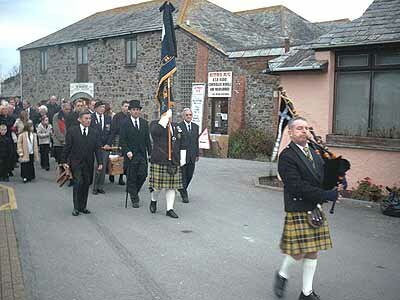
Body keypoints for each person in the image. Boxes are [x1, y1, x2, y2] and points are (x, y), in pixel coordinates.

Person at [273, 117, 338, 300]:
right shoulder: (287, 156)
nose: (304, 131)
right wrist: (325, 195)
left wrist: (335, 176)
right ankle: (282, 274)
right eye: (299, 128)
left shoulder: (315, 152)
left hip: (314, 205)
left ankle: (306, 293)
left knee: (313, 249)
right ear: (291, 132)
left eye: (306, 128)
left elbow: (321, 177)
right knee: (298, 251)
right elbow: (296, 186)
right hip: (299, 206)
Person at [62, 110, 103, 216]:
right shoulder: (72, 131)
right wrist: (63, 161)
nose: (88, 120)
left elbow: (97, 149)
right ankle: (76, 207)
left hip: (88, 162)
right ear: (79, 119)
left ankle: (83, 206)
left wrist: (100, 162)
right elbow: (67, 147)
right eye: (86, 118)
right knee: (78, 182)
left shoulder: (94, 133)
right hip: (76, 162)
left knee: (86, 184)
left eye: (89, 118)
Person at [148, 109, 183, 218]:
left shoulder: (176, 126)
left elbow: (181, 141)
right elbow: (155, 133)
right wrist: (164, 120)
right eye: (166, 114)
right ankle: (153, 200)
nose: (169, 116)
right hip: (160, 159)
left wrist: (182, 158)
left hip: (173, 161)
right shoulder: (155, 124)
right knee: (157, 187)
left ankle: (169, 209)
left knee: (171, 187)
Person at [119, 100, 152, 208]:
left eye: (138, 110)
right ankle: (134, 198)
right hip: (131, 154)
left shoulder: (144, 123)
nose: (136, 112)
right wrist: (127, 151)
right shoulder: (124, 123)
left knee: (143, 175)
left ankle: (133, 190)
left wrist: (150, 153)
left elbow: (147, 139)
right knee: (131, 176)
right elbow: (122, 140)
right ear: (130, 111)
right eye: (134, 110)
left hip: (142, 154)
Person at [177, 108, 199, 203]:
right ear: (183, 116)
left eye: (190, 115)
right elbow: (177, 142)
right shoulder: (179, 127)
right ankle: (184, 193)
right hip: (182, 155)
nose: (189, 116)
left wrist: (197, 153)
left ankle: (182, 188)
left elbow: (196, 141)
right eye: (187, 115)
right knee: (183, 175)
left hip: (192, 155)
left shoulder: (195, 127)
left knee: (189, 175)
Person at [90, 101, 112, 195]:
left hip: (105, 147)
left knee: (103, 167)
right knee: (96, 167)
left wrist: (108, 143)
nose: (102, 109)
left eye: (103, 107)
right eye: (100, 107)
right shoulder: (91, 118)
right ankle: (94, 187)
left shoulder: (108, 118)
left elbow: (111, 132)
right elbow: (90, 132)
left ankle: (100, 186)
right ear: (96, 108)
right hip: (95, 146)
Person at [110, 100, 130, 185]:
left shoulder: (130, 116)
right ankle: (112, 174)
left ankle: (121, 178)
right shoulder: (117, 116)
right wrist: (111, 140)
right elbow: (113, 129)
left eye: (128, 107)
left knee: (124, 159)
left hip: (126, 139)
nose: (126, 108)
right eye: (125, 106)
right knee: (115, 158)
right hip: (117, 137)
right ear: (122, 107)